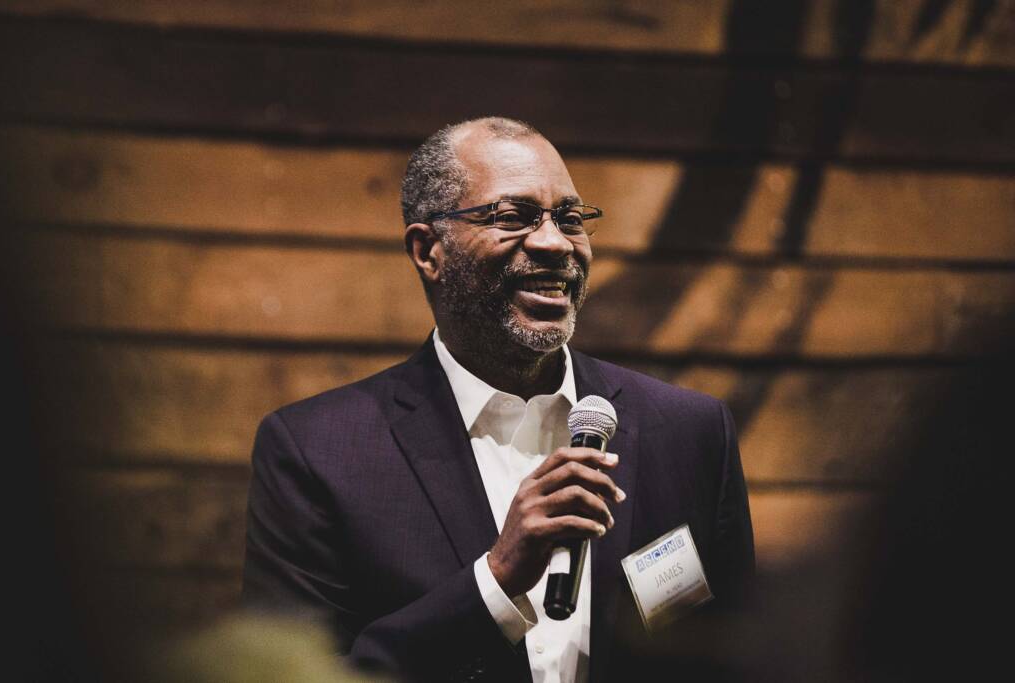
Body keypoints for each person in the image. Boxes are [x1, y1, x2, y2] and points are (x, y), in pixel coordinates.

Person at [242, 117, 755, 682]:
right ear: (428, 250)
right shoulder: (318, 450)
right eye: (512, 218)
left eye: (570, 218)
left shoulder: (690, 431)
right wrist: (496, 580)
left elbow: (738, 658)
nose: (555, 242)